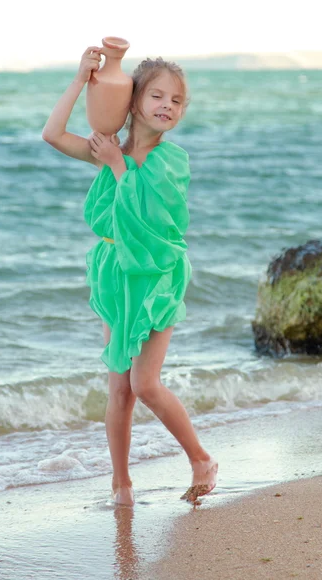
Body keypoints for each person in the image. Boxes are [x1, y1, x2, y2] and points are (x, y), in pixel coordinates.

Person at [42, 45, 218, 506]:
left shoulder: (170, 160)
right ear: (134, 100)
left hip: (157, 273)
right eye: (157, 95)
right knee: (119, 387)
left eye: (176, 101)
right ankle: (121, 485)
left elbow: (157, 222)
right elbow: (52, 133)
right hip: (116, 274)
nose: (167, 106)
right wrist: (82, 77)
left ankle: (201, 458)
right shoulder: (108, 150)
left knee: (145, 383)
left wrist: (120, 170)